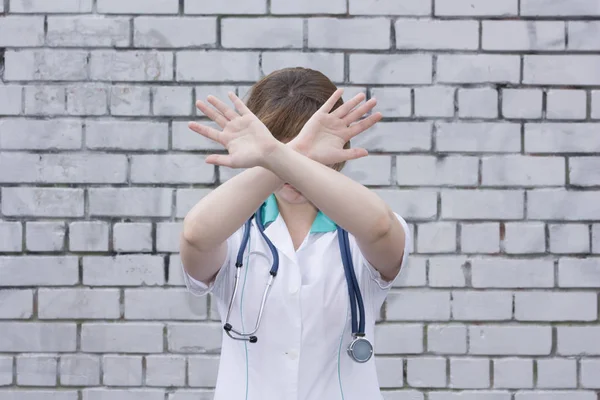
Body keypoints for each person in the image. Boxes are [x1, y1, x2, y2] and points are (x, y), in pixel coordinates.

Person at [180, 68, 411, 400]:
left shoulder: (361, 227)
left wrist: (277, 155)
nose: (291, 159)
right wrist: (288, 157)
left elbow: (381, 228)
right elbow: (195, 237)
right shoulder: (231, 230)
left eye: (304, 145)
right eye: (276, 144)